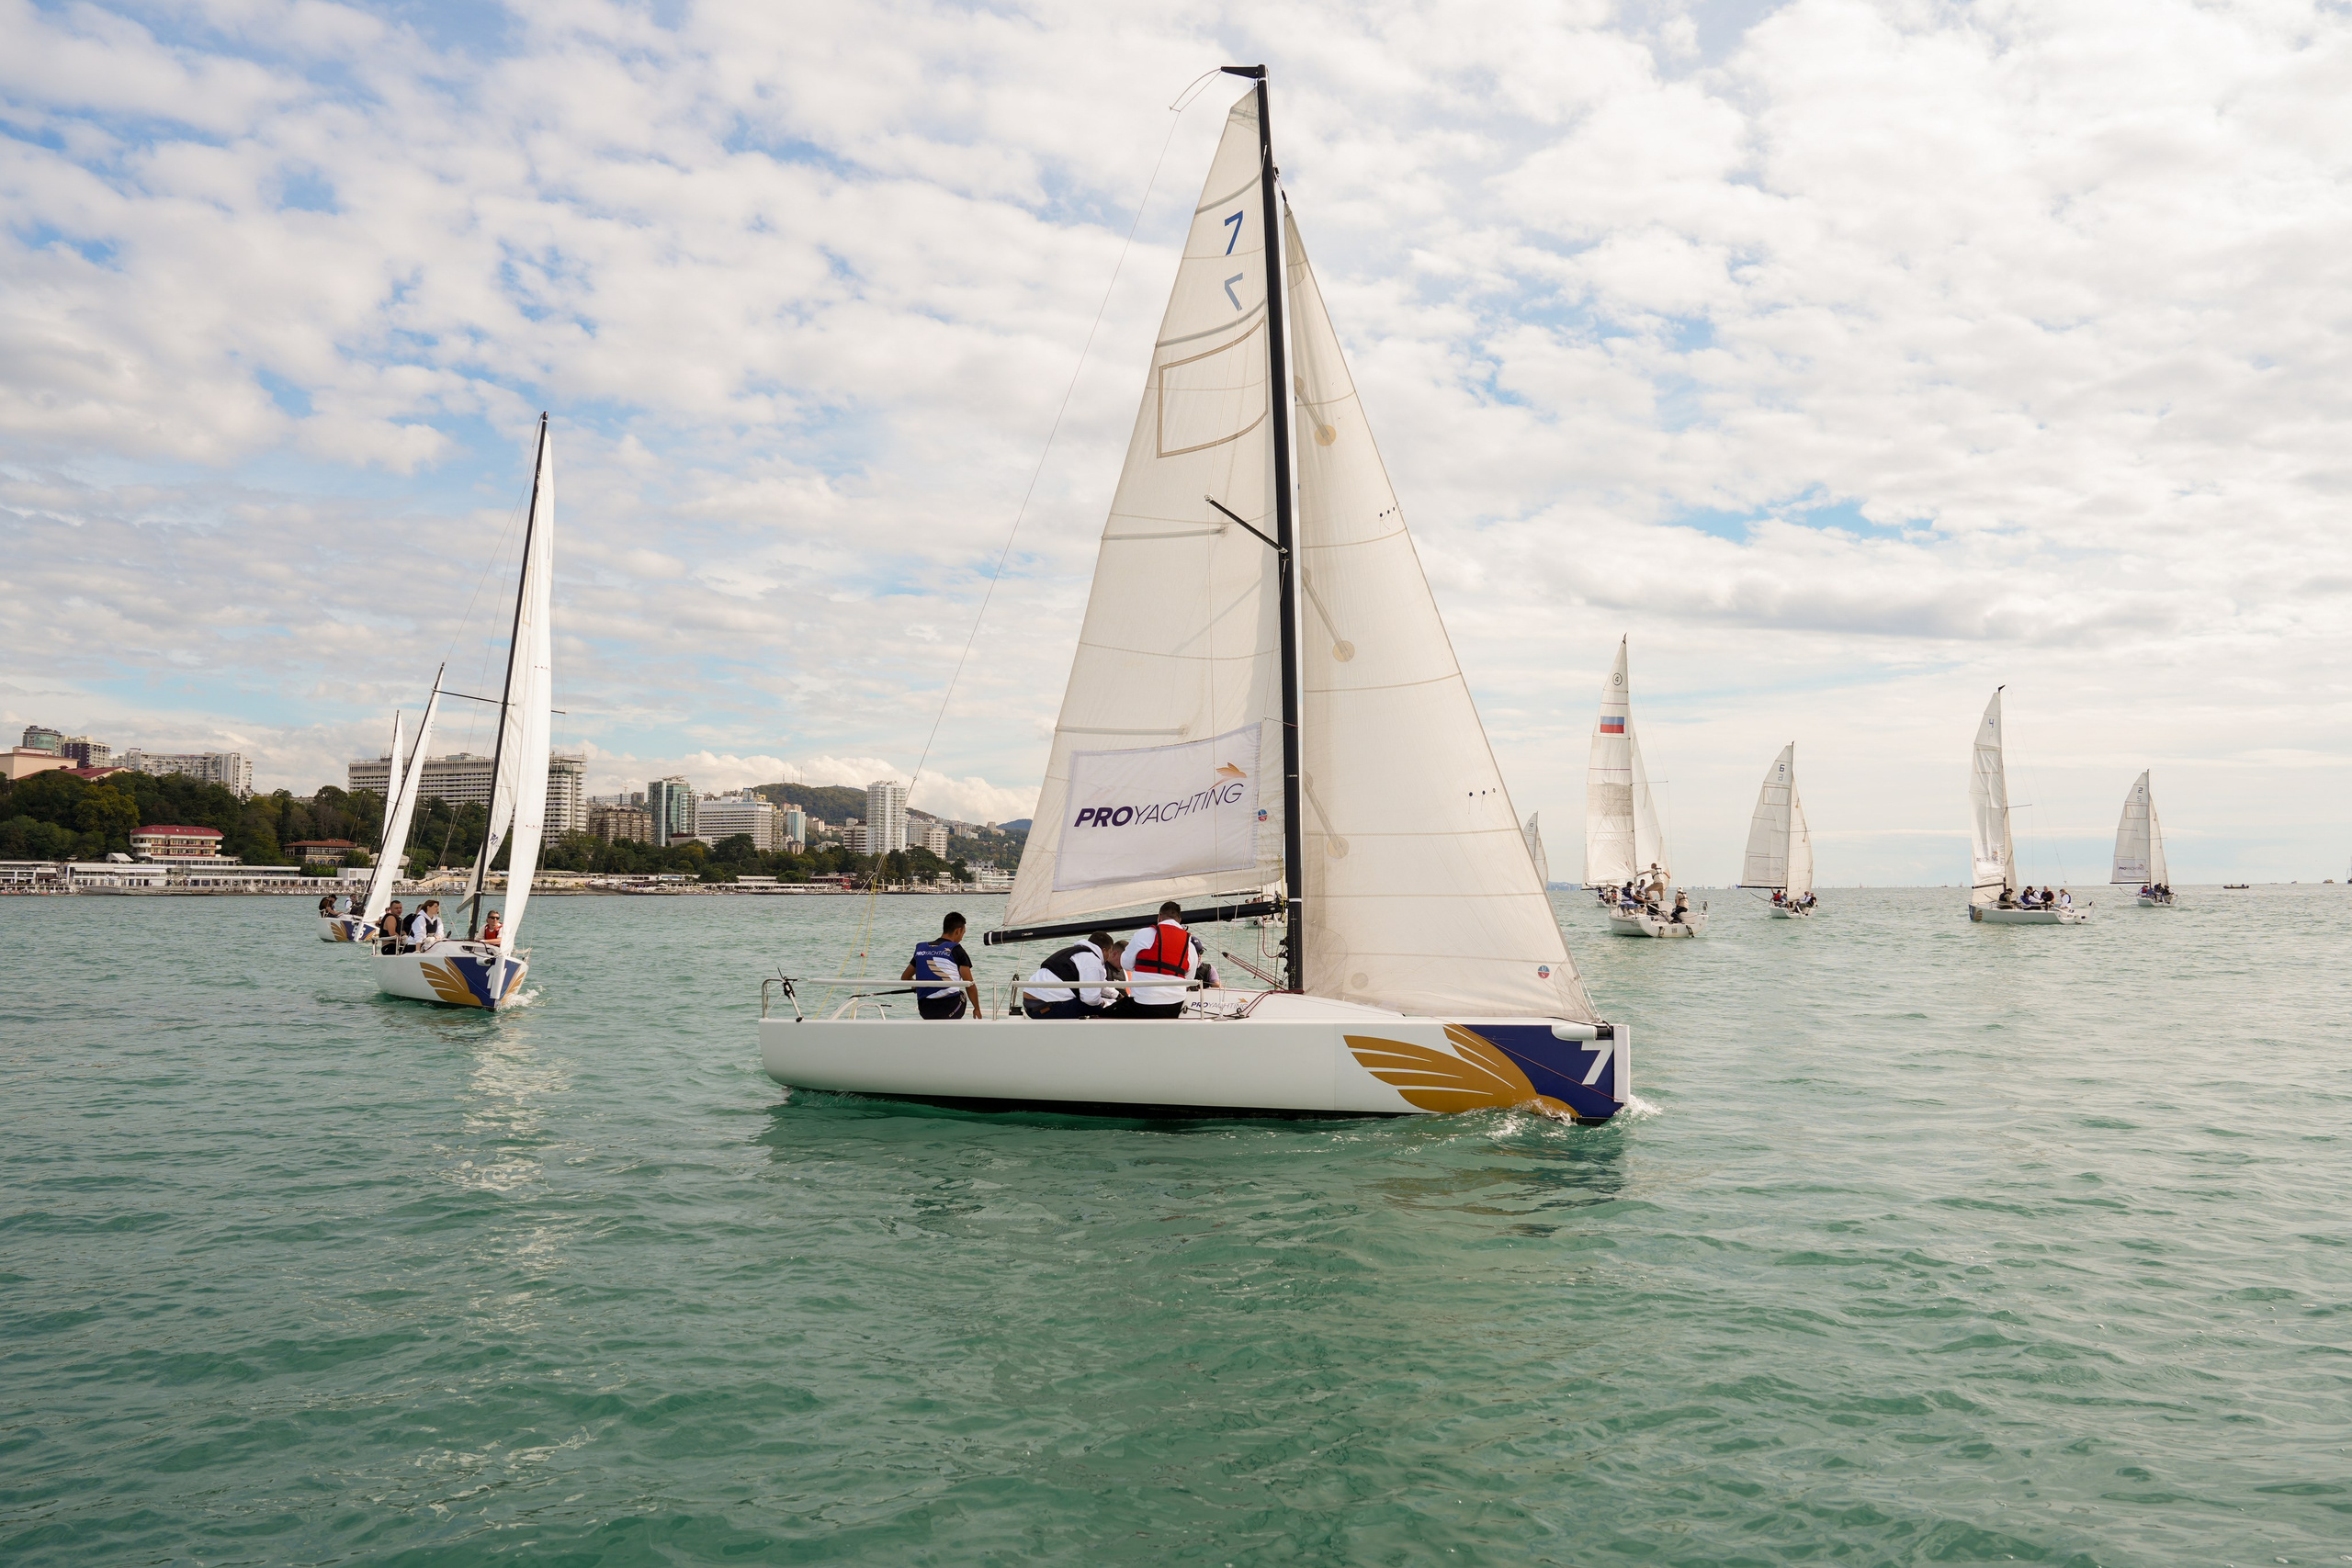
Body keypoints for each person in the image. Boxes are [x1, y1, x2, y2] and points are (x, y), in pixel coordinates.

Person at [1114, 902, 1201, 1019]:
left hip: (1142, 1004)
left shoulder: (1143, 934)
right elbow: (1189, 980)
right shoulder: (1189, 945)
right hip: (1174, 1006)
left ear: (1159, 917)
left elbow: (1126, 964)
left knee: (1105, 1013)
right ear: (1179, 920)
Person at [1023, 931, 1119, 1019]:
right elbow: (1090, 1000)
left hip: (1030, 1006)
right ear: (1104, 950)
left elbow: (1098, 984)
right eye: (1109, 953)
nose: (1108, 957)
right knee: (1103, 1009)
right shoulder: (1092, 961)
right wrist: (1105, 1002)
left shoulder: (1074, 953)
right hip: (1046, 1008)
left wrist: (1117, 995)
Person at [903, 912, 979, 1021]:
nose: (962, 938)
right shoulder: (956, 949)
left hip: (925, 1010)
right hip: (949, 1009)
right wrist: (977, 1009)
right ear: (958, 931)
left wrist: (916, 985)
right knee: (962, 994)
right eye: (963, 933)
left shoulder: (921, 949)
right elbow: (970, 985)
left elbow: (905, 977)